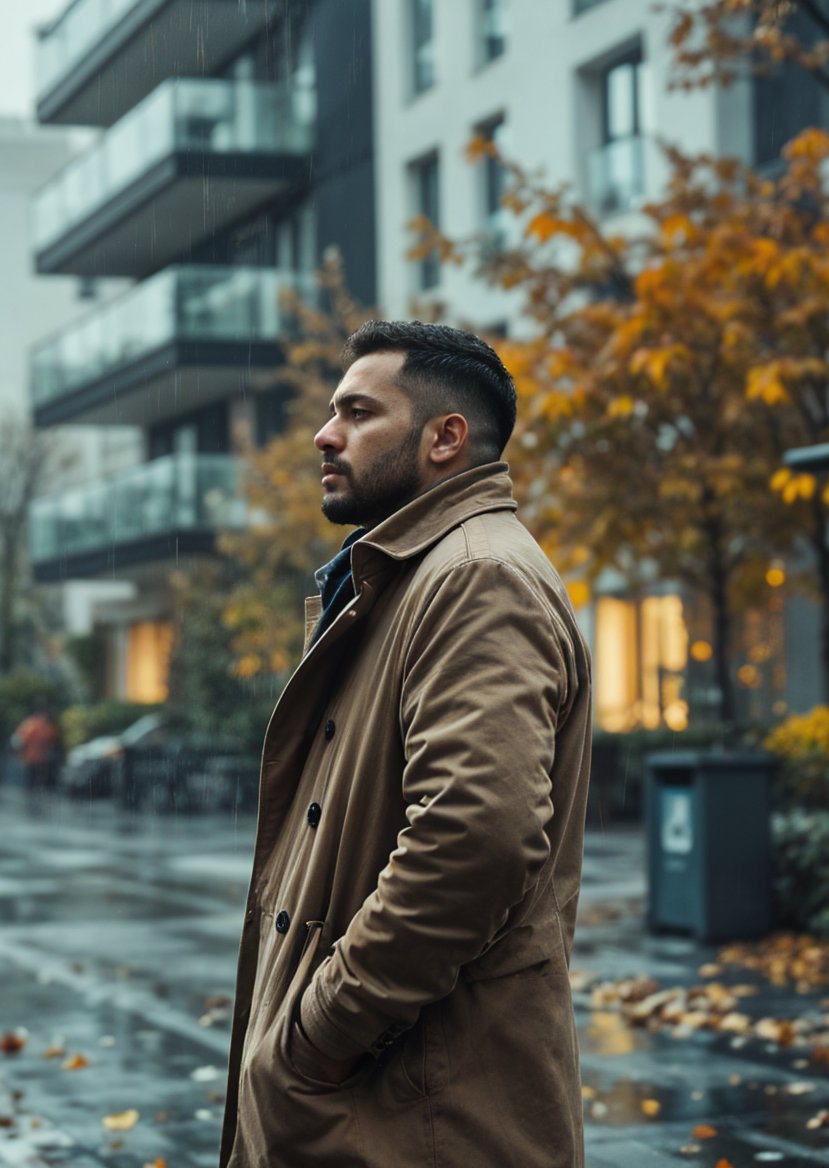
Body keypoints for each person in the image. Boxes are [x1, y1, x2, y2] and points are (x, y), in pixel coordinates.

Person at [220, 322, 592, 1167]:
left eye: (356, 411)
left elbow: (476, 836)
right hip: (392, 1109)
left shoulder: (474, 578)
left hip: (421, 1117)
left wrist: (318, 1035)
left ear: (444, 438)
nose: (325, 433)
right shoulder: (411, 577)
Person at [11, 706, 60, 794]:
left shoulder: (32, 724)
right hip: (37, 757)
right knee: (34, 778)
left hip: (35, 757)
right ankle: (32, 794)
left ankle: (31, 794)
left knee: (32, 779)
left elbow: (21, 740)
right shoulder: (40, 725)